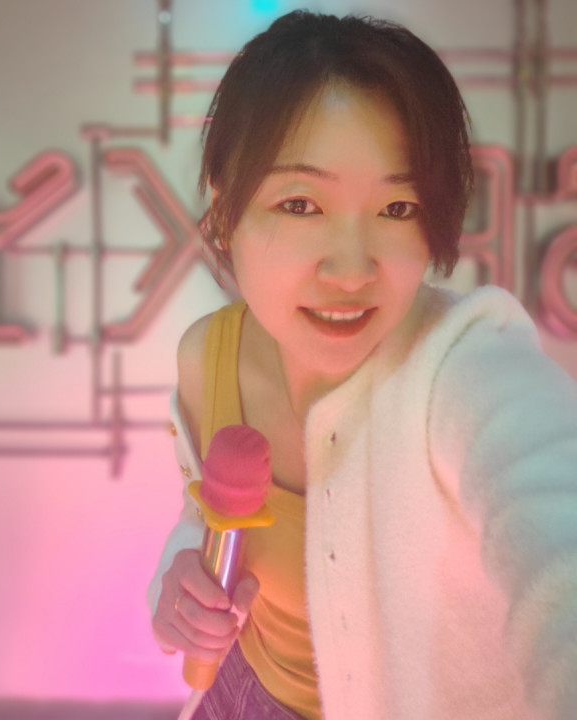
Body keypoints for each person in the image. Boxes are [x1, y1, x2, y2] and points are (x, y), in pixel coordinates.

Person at [147, 10, 577, 720]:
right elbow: (203, 512)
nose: (352, 270)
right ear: (224, 211)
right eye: (300, 203)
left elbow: (554, 526)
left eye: (398, 207)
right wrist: (178, 576)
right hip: (234, 694)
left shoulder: (460, 371)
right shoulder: (207, 356)